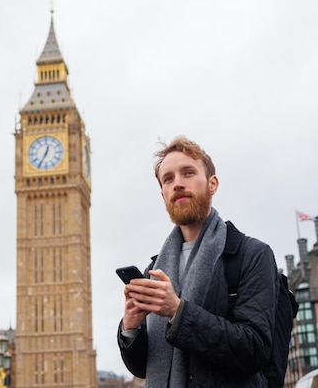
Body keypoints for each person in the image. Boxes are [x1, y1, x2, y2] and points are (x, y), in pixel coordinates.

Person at [117, 136, 279, 387]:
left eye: (188, 173)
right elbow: (141, 367)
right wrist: (131, 327)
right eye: (168, 179)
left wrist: (177, 311)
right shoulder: (155, 269)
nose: (177, 184)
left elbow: (255, 349)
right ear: (163, 194)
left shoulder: (251, 254)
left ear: (212, 184)